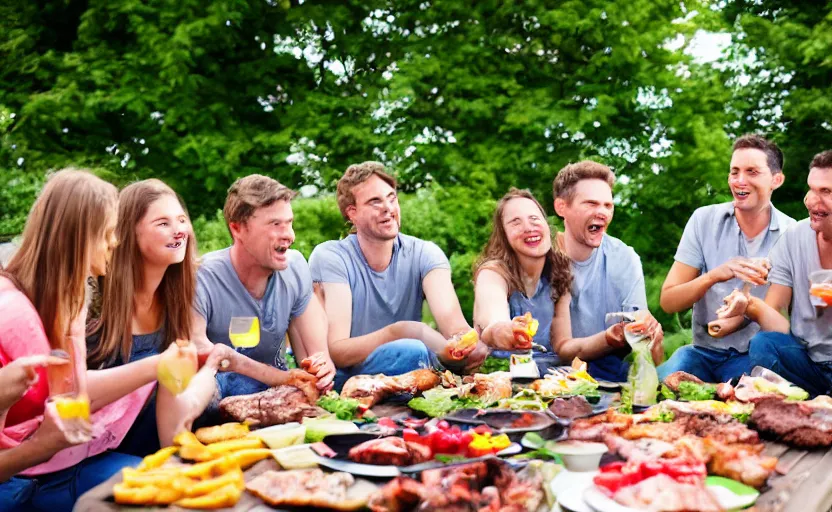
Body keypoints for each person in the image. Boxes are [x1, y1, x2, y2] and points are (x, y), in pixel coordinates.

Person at [0, 170, 153, 510]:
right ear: (80, 236)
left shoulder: (72, 300)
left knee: (161, 484)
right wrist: (39, 446)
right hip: (14, 481)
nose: (115, 242)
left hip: (57, 467)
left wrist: (157, 365)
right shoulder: (8, 311)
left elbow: (73, 395)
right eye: (109, 232)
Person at [309, 162, 487, 390]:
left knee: (418, 355)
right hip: (347, 373)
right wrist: (402, 331)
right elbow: (338, 351)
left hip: (407, 367)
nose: (387, 207)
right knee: (414, 352)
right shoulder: (331, 256)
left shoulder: (425, 253)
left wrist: (468, 345)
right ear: (352, 213)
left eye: (391, 198)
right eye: (375, 202)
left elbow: (454, 327)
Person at [170, 175, 328, 426]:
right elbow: (200, 356)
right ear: (237, 228)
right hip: (220, 399)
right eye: (275, 224)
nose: (289, 235)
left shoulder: (296, 266)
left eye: (289, 223)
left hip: (282, 396)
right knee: (235, 381)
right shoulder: (201, 276)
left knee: (406, 353)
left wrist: (323, 368)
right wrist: (279, 377)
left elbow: (315, 356)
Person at [657, 135, 795, 382]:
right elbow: (669, 302)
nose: (740, 181)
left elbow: (791, 328)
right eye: (735, 172)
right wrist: (714, 275)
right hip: (702, 353)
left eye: (752, 172)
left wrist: (747, 309)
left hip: (755, 358)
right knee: (659, 387)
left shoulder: (792, 234)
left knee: (753, 408)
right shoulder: (703, 220)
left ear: (777, 179)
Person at [720, 150, 832, 396]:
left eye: (826, 192)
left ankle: (813, 404)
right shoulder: (794, 238)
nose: (811, 201)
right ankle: (812, 400)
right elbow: (775, 316)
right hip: (808, 363)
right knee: (764, 344)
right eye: (811, 189)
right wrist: (749, 305)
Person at [551, 160, 664, 382]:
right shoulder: (541, 255)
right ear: (561, 207)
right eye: (591, 204)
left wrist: (652, 335)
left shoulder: (625, 258)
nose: (602, 212)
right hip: (550, 369)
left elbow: (642, 340)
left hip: (606, 367)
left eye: (608, 205)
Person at [473, 188, 572, 375]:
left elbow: (564, 346)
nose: (528, 227)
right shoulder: (492, 273)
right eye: (515, 222)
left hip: (552, 381)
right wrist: (506, 331)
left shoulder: (560, 274)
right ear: (504, 236)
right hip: (502, 381)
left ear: (546, 225)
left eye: (534, 219)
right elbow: (493, 322)